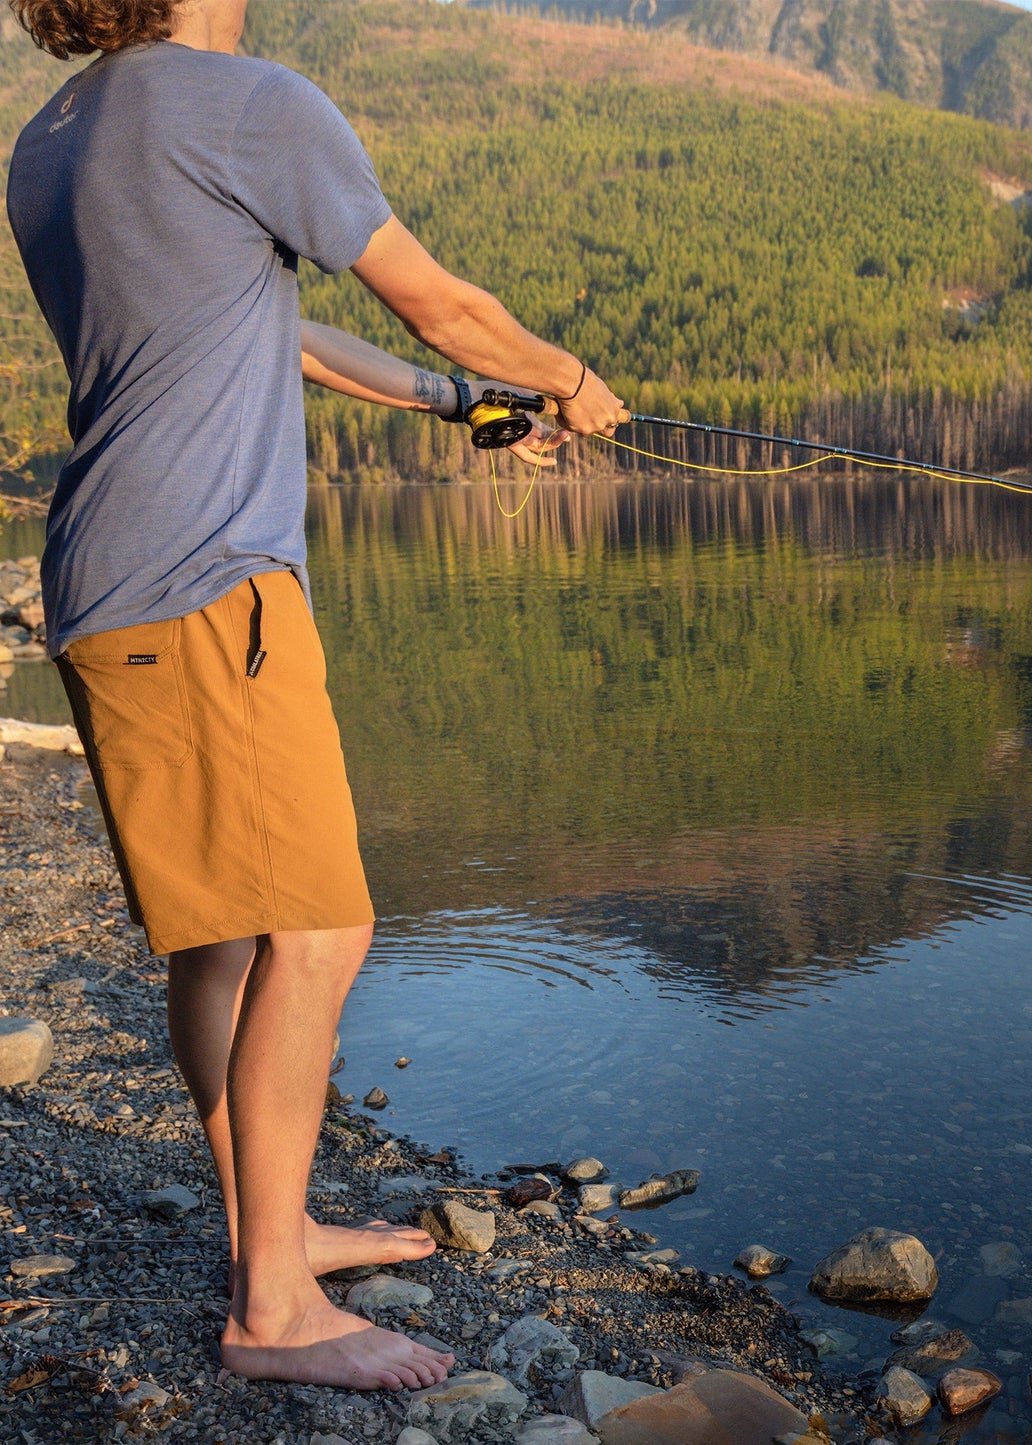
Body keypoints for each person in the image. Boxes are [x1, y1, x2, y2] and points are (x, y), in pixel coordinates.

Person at [6, 0, 626, 1391]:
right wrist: (566, 379)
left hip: (108, 577)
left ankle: (269, 1235)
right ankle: (274, 1309)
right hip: (210, 577)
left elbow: (257, 330)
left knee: (221, 939)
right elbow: (439, 293)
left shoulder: (53, 137)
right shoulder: (247, 101)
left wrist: (453, 400)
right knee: (323, 927)